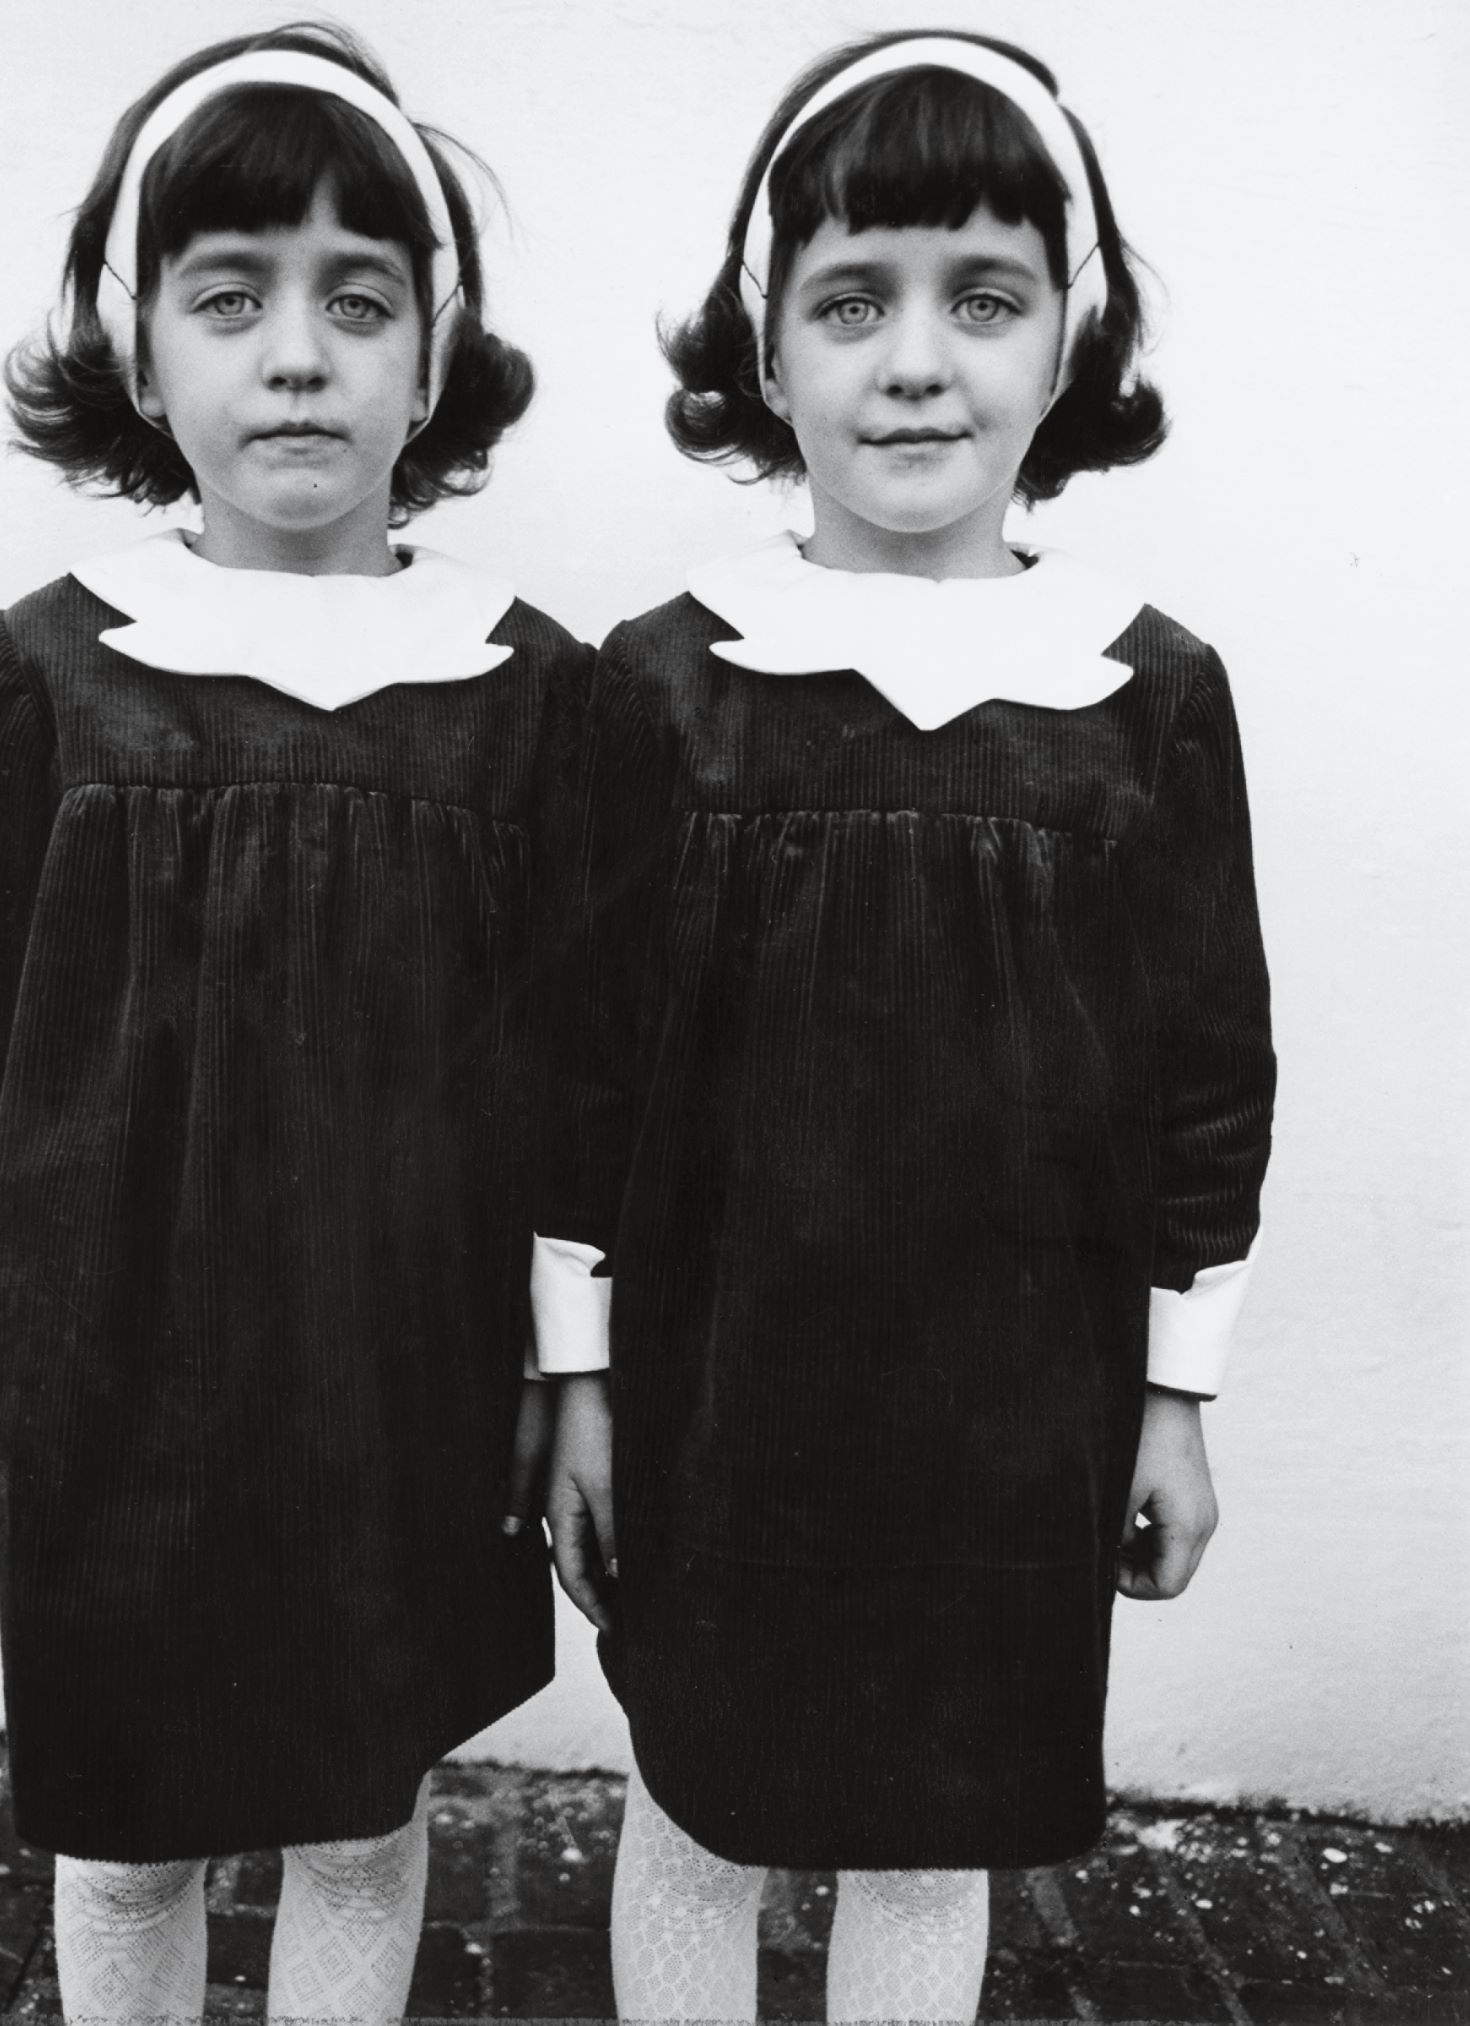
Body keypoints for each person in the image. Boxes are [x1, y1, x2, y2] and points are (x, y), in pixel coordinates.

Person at [537, 31, 1276, 2023]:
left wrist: (1176, 1393)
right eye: (851, 300)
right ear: (764, 353)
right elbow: (576, 1075)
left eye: (983, 296)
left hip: (1011, 1401)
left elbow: (1210, 1069)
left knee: (928, 1818)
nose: (917, 358)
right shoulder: (667, 686)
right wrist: (577, 1376)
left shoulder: (1145, 696)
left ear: (1068, 342)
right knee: (703, 1800)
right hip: (722, 1385)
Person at [0, 25, 587, 2020]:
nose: (299, 352)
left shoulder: (515, 687)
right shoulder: (54, 670)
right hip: (122, 1366)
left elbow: (568, 1071)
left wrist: (566, 1353)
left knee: (362, 1803)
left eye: (358, 299)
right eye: (233, 295)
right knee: (129, 1817)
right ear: (141, 346)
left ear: (431, 354)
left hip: (408, 1369)